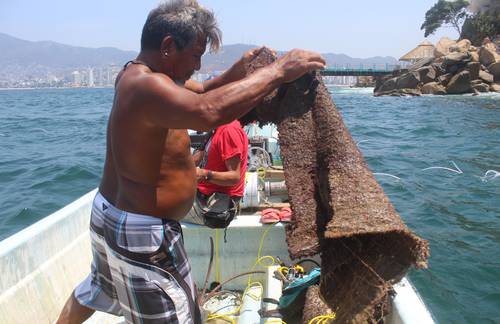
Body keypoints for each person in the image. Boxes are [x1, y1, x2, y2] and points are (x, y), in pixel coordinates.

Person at [56, 0, 325, 323]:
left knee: (100, 288)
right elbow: (207, 112)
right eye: (195, 55)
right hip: (143, 234)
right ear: (168, 46)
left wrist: (240, 69)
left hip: (111, 214)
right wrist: (279, 72)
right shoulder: (147, 86)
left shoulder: (142, 76)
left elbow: (205, 92)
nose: (197, 65)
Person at [183, 119, 249, 226]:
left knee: (163, 208)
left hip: (215, 206)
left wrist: (205, 174)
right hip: (202, 196)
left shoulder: (229, 130)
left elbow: (234, 177)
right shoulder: (216, 129)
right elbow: (198, 158)